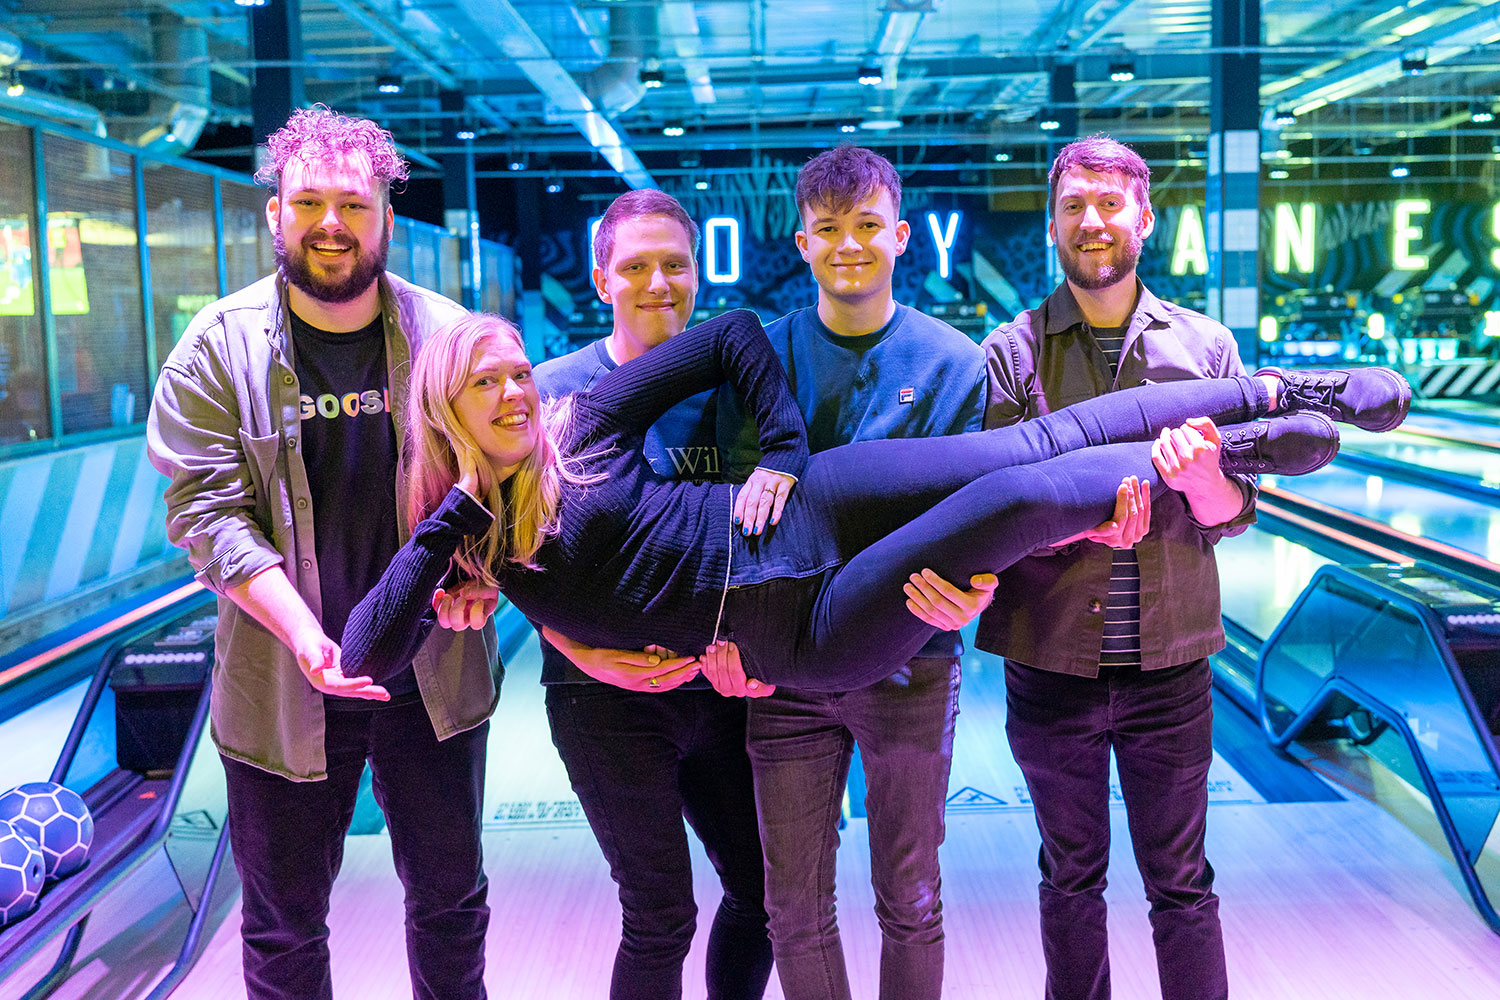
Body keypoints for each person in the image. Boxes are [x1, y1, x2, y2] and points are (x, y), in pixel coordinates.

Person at [336, 306, 1402, 707]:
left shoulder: (587, 428)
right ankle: (1233, 451)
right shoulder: (473, 546)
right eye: (489, 384)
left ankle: (1272, 396)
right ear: (447, 410)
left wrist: (789, 448)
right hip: (805, 632)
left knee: (1029, 441)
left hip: (806, 509)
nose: (520, 391)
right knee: (1017, 497)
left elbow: (732, 335)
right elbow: (364, 655)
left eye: (521, 371)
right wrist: (456, 514)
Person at [973, 135, 1402, 1000]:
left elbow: (1232, 515)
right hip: (1050, 664)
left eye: (1108, 204)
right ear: (1053, 223)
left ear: (1145, 219)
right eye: (1072, 206)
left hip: (1171, 668)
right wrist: (1074, 533)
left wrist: (1207, 480)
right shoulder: (1010, 355)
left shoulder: (1207, 349)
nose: (1091, 222)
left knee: (1182, 885)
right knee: (1070, 878)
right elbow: (994, 520)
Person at [146, 107, 497, 1000]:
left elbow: (502, 483)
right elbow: (208, 513)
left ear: (386, 215)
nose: (330, 222)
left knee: (453, 905)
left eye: (353, 202)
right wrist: (310, 639)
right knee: (284, 927)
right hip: (281, 682)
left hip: (432, 678)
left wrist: (478, 576)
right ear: (274, 215)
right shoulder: (214, 351)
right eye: (308, 201)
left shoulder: (448, 338)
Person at [716, 145, 989, 1000]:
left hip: (911, 659)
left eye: (867, 226)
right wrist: (726, 633)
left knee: (909, 897)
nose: (849, 246)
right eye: (828, 230)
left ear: (901, 235)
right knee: (793, 908)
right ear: (802, 243)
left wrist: (977, 585)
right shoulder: (762, 357)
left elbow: (973, 516)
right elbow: (727, 517)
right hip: (786, 670)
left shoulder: (954, 364)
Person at [531, 189, 775, 1000]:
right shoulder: (550, 394)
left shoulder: (739, 381)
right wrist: (577, 647)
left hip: (728, 688)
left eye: (675, 264)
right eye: (634, 266)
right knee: (661, 914)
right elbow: (502, 549)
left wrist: (767, 654)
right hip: (602, 698)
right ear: (601, 279)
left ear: (699, 274)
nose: (658, 283)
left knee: (763, 896)